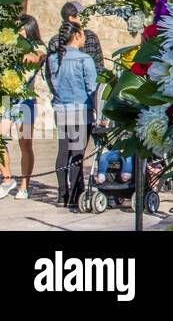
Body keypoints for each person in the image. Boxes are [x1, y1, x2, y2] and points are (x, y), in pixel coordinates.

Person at [0, 15, 45, 200]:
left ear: (29, 29)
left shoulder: (37, 46)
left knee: (25, 144)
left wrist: (18, 52)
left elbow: (37, 58)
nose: (18, 32)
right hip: (8, 99)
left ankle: (24, 185)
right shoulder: (9, 46)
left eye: (21, 28)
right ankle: (7, 179)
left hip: (26, 101)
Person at [45, 21, 98, 210]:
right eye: (83, 33)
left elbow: (50, 83)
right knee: (77, 152)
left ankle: (62, 194)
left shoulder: (52, 59)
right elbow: (92, 88)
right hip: (79, 111)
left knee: (63, 150)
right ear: (76, 35)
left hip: (61, 110)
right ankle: (76, 194)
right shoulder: (84, 60)